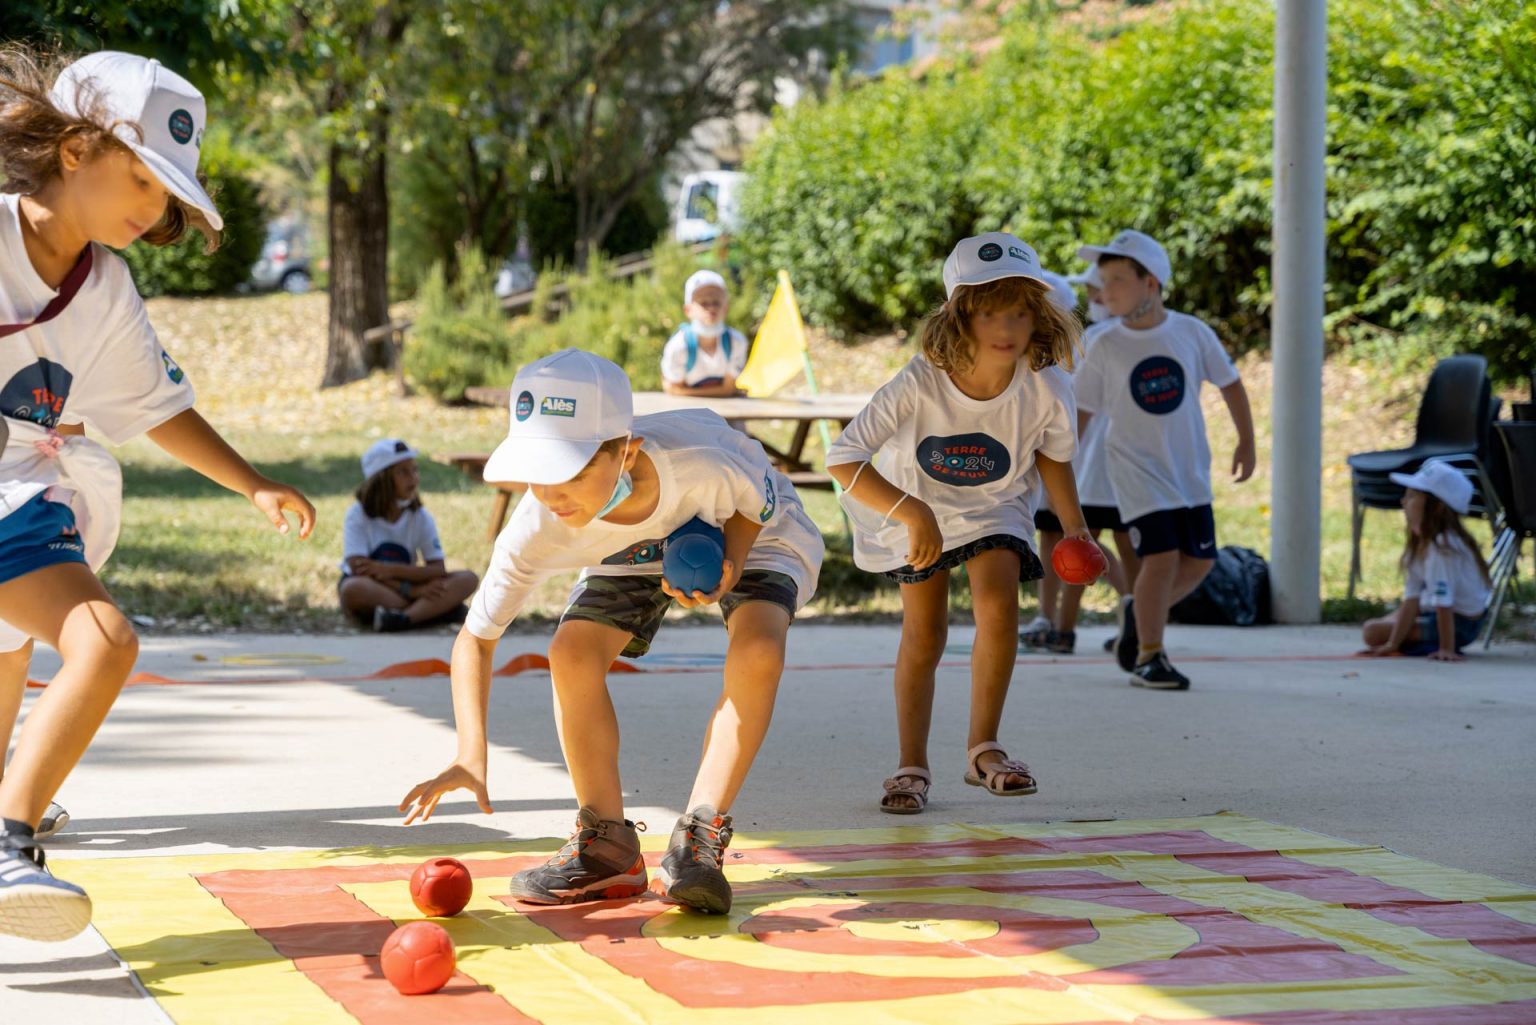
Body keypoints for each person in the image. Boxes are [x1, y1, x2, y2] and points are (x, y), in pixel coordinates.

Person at [0, 49, 315, 941]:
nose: (154, 208)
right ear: (73, 149)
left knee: (16, 653)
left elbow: (156, 408)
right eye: (143, 177)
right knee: (101, 638)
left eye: (167, 192)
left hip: (25, 487)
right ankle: (9, 838)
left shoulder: (102, 288)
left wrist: (252, 483)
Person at [399, 349, 823, 916]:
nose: (552, 493)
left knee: (760, 646)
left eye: (571, 470)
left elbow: (757, 500)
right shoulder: (542, 522)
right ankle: (607, 847)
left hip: (751, 524)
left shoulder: (700, 462)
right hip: (629, 545)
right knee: (570, 651)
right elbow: (476, 637)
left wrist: (732, 563)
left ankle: (698, 838)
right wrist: (470, 754)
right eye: (538, 472)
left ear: (627, 452)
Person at [826, 232, 1087, 815]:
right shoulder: (919, 381)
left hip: (995, 503)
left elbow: (1053, 453)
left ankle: (983, 749)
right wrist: (911, 510)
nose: (1007, 326)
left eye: (1020, 311)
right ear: (959, 314)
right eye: (990, 310)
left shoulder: (1046, 385)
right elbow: (843, 459)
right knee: (926, 634)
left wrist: (1076, 527)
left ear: (1038, 315)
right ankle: (911, 764)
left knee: (998, 601)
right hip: (913, 503)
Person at [1073, 230, 1255, 691]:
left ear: (1150, 283)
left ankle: (1139, 612)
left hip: (1187, 469)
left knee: (1201, 562)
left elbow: (1229, 383)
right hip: (1133, 469)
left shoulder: (1191, 332)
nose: (1104, 290)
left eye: (1116, 279)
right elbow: (1082, 412)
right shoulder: (1103, 343)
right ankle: (1150, 654)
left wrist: (1246, 441)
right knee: (1161, 557)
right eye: (1102, 280)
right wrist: (1061, 465)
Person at [1022, 266, 1134, 654]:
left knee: (1087, 540)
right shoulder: (1083, 342)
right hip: (1076, 459)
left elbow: (1073, 417)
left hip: (1090, 462)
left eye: (1098, 289)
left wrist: (1064, 466)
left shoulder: (1087, 344)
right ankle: (1051, 620)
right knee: (1060, 537)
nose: (1096, 298)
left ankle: (1132, 613)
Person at [339, 438, 479, 632]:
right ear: (382, 479)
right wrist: (413, 591)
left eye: (415, 470)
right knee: (353, 589)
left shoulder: (420, 517)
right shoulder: (357, 514)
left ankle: (403, 618)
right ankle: (432, 611)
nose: (413, 478)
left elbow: (437, 568)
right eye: (403, 472)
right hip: (382, 588)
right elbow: (359, 569)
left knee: (468, 579)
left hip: (405, 584)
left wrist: (389, 569)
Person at [1361, 459, 1490, 660]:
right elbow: (1411, 598)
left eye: (1412, 496)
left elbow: (1444, 603)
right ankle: (1409, 640)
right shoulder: (1421, 543)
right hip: (1432, 611)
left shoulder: (1444, 547)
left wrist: (1446, 649)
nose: (1403, 502)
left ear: (1436, 507)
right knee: (1377, 627)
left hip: (1460, 623)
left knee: (1372, 631)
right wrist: (1392, 644)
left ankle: (1435, 642)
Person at [659, 270, 750, 397]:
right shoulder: (678, 346)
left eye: (716, 302)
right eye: (704, 303)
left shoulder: (736, 342)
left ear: (726, 307)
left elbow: (677, 390)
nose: (711, 308)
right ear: (688, 310)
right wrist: (724, 391)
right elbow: (727, 390)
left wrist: (684, 391)